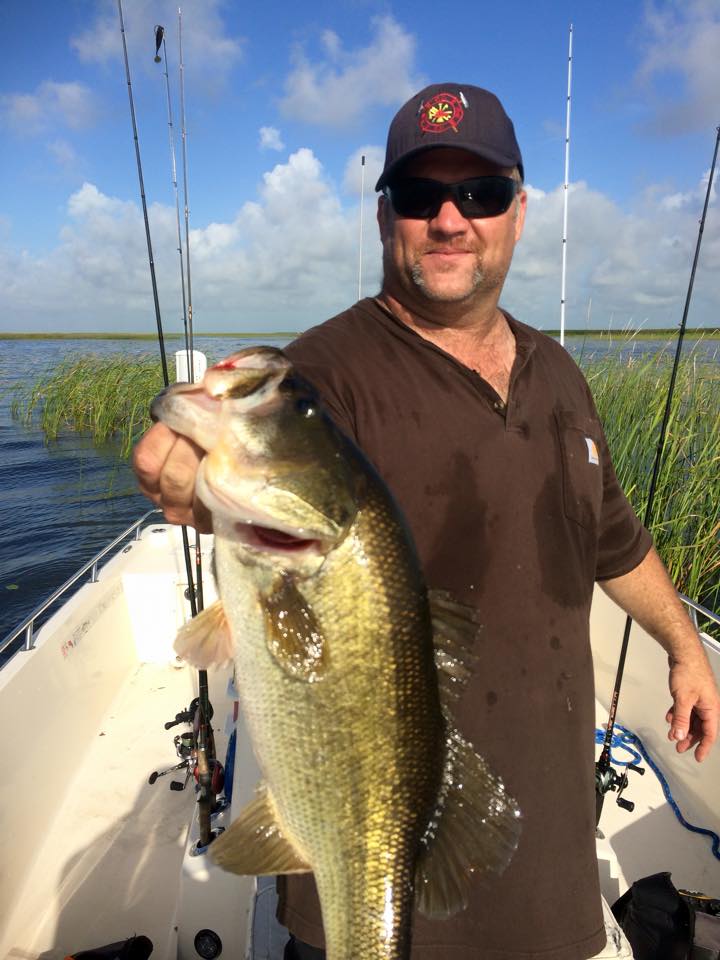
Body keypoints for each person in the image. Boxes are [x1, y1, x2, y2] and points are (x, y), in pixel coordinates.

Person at [133, 83, 720, 959]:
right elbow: (211, 489)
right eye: (420, 195)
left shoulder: (558, 373)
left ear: (519, 213)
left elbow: (612, 539)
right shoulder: (324, 373)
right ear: (384, 218)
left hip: (552, 865)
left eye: (480, 193)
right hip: (363, 860)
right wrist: (186, 473)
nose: (451, 219)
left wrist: (684, 645)